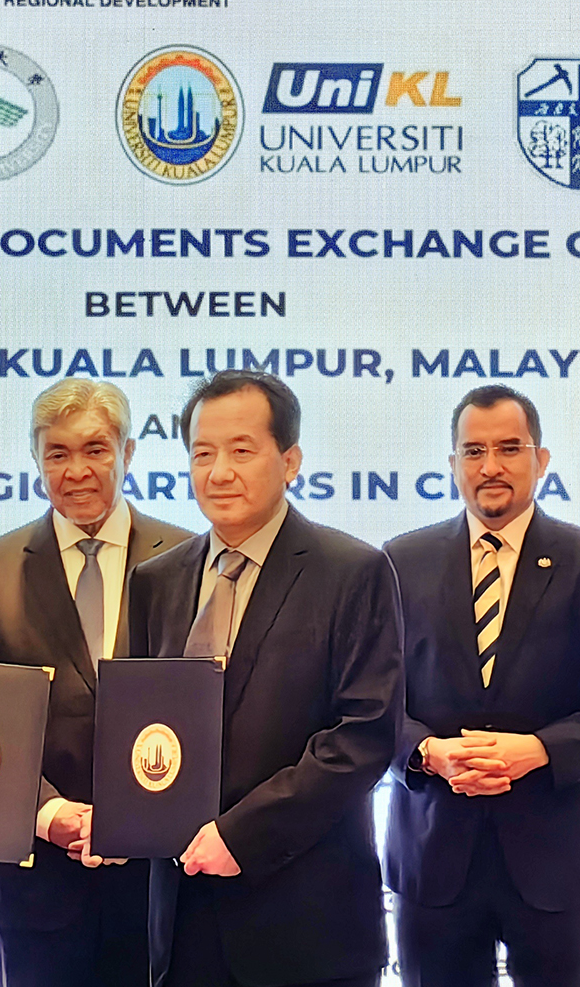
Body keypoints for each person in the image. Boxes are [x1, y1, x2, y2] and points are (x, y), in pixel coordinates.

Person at [125, 370, 402, 987]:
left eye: (241, 450)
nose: (219, 472)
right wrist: (123, 815)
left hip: (306, 922)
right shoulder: (156, 581)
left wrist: (241, 837)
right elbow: (145, 725)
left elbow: (362, 737)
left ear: (290, 461)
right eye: (202, 454)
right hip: (184, 919)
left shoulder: (351, 571)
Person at [383, 386, 580, 987]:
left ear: (541, 459)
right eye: (473, 451)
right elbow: (372, 702)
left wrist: (538, 750)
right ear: (452, 463)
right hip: (433, 852)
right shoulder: (401, 561)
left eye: (510, 448)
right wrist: (427, 752)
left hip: (556, 858)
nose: (491, 466)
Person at [0, 378, 192, 987]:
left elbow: (207, 707)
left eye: (96, 449)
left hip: (162, 880)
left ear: (128, 452)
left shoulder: (188, 558)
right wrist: (49, 812)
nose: (76, 470)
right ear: (36, 460)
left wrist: (142, 813)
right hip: (36, 887)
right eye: (57, 453)